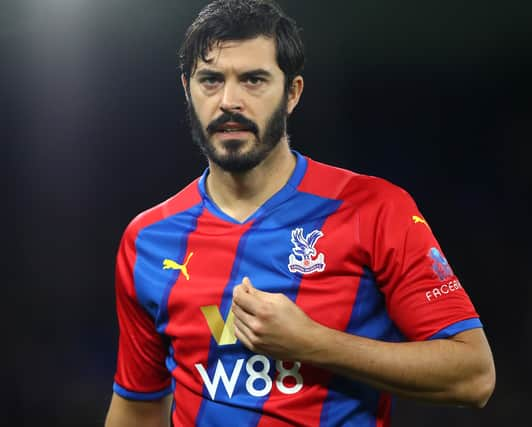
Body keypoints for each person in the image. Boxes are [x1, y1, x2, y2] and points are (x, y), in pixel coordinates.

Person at [104, 1, 496, 425]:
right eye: (211, 81)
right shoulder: (148, 239)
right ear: (187, 88)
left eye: (253, 80)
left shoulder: (374, 209)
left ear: (292, 93)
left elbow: (473, 376)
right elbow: (138, 405)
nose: (228, 101)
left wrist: (312, 343)